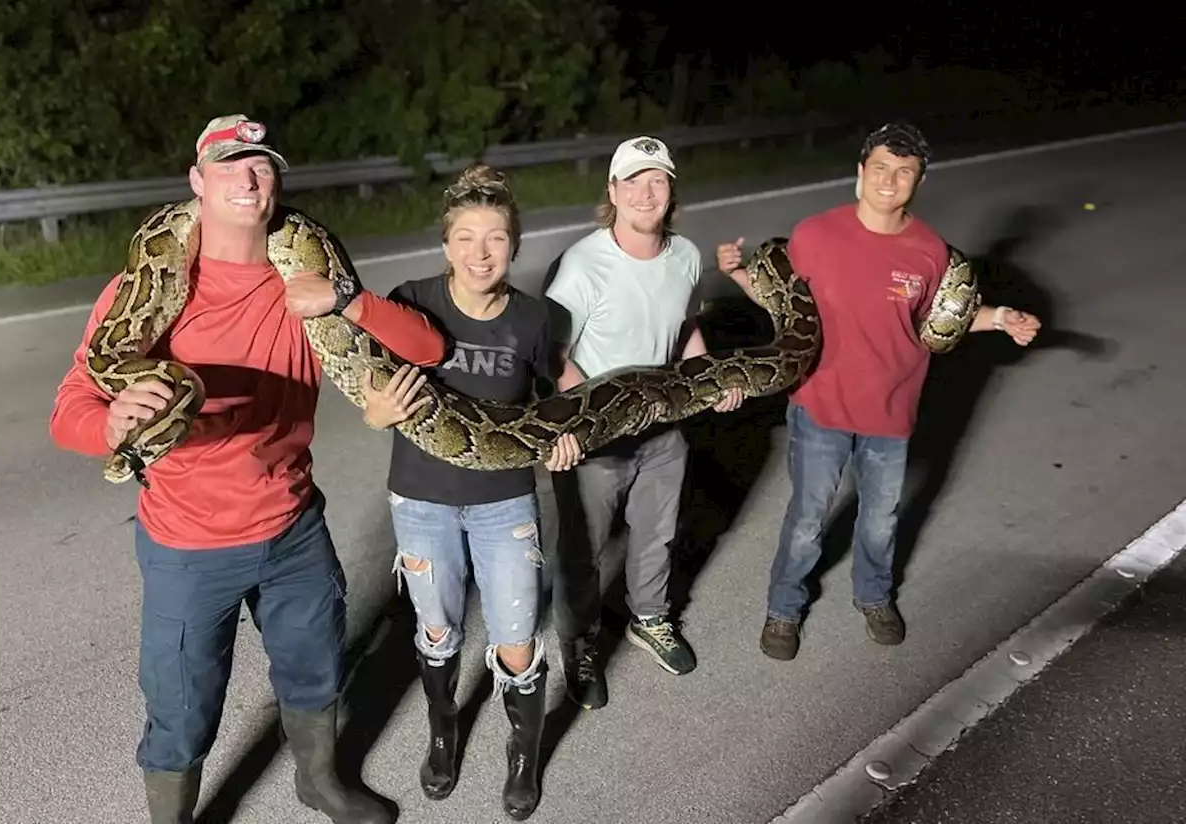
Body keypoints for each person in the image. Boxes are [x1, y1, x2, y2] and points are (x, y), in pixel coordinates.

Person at [48, 114, 448, 824]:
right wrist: (110, 423)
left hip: (293, 523)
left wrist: (361, 337)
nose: (249, 178)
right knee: (181, 703)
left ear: (277, 182)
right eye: (230, 165)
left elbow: (419, 349)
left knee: (317, 665)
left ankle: (319, 782)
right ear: (198, 182)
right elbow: (70, 407)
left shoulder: (310, 274)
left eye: (262, 165)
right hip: (188, 543)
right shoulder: (143, 291)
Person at [715, 121, 1042, 661]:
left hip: (891, 411)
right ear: (861, 172)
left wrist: (1001, 317)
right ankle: (783, 609)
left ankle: (874, 596)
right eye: (882, 168)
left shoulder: (932, 252)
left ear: (919, 181)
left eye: (905, 172)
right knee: (806, 518)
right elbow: (783, 302)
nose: (891, 181)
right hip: (819, 406)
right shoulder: (814, 234)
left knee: (881, 519)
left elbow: (945, 319)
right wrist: (739, 274)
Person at [360, 163, 582, 821]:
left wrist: (571, 430)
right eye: (465, 237)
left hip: (505, 500)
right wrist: (376, 413)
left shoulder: (536, 319)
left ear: (514, 245)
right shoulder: (412, 301)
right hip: (420, 498)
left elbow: (563, 387)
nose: (479, 253)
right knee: (438, 629)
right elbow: (372, 384)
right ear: (446, 243)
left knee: (516, 638)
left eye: (494, 238)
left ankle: (523, 754)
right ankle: (443, 729)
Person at [544, 135, 743, 710]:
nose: (646, 192)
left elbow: (685, 332)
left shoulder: (684, 256)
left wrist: (711, 381)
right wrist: (594, 418)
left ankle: (649, 619)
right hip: (598, 438)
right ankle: (579, 642)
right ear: (612, 191)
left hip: (663, 430)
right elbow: (554, 354)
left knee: (657, 534)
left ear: (671, 191)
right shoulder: (583, 264)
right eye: (632, 181)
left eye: (657, 180)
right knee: (583, 547)